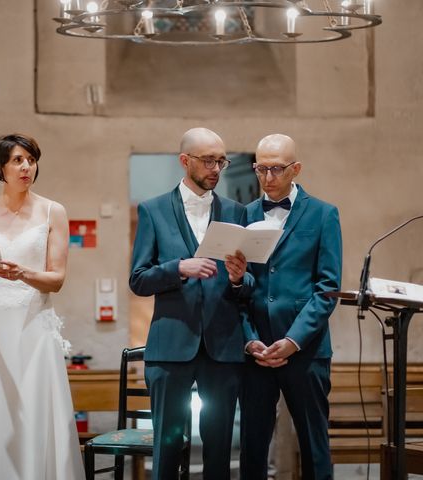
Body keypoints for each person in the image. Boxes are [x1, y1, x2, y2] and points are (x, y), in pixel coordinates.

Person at [0, 133, 83, 480]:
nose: (27, 167)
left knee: (35, 414)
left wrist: (23, 273)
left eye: (31, 159)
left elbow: (57, 279)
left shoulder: (53, 211)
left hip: (33, 327)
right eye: (18, 160)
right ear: (0, 167)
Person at [130, 127, 252, 480]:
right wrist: (177, 268)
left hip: (223, 347)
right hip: (170, 347)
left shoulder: (236, 211)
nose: (216, 168)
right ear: (185, 161)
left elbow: (251, 283)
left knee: (219, 450)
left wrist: (237, 278)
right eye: (208, 160)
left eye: (221, 161)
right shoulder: (153, 211)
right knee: (166, 450)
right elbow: (138, 279)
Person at [239, 134, 342, 480]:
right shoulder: (244, 215)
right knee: (252, 445)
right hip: (255, 353)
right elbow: (238, 290)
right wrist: (250, 339)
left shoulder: (324, 214)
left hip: (306, 349)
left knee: (314, 443)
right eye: (260, 169)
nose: (268, 178)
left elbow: (327, 288)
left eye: (277, 169)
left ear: (295, 169)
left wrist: (294, 340)